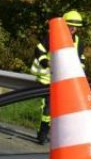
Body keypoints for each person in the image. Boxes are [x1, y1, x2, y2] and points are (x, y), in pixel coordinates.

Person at [30, 10, 85, 144]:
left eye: (75, 26)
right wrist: (45, 62)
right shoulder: (53, 37)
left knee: (61, 109)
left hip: (65, 81)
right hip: (48, 79)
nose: (73, 29)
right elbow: (39, 49)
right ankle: (42, 134)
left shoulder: (78, 42)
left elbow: (81, 59)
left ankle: (59, 137)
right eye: (70, 25)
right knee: (48, 108)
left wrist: (79, 74)